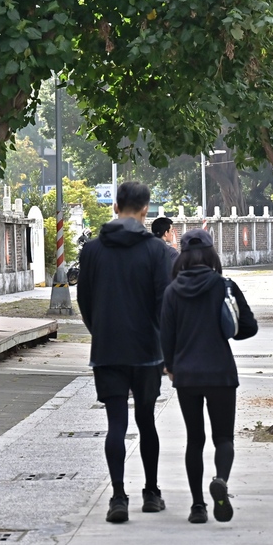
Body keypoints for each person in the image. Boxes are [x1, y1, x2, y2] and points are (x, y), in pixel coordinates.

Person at [77, 181, 174, 524]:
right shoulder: (157, 251)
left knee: (115, 423)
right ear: (146, 210)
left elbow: (84, 301)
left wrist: (100, 331)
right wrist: (165, 347)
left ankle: (118, 497)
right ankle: (151, 492)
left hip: (107, 349)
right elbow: (163, 302)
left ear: (115, 207)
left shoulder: (92, 250)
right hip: (146, 350)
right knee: (146, 421)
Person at [160, 228, 258, 524]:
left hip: (186, 375)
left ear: (183, 257)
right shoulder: (224, 286)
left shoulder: (172, 291)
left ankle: (197, 507)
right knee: (223, 437)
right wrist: (227, 330)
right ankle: (221, 480)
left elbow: (166, 337)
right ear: (212, 254)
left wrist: (171, 367)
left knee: (195, 439)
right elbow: (248, 327)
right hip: (221, 373)